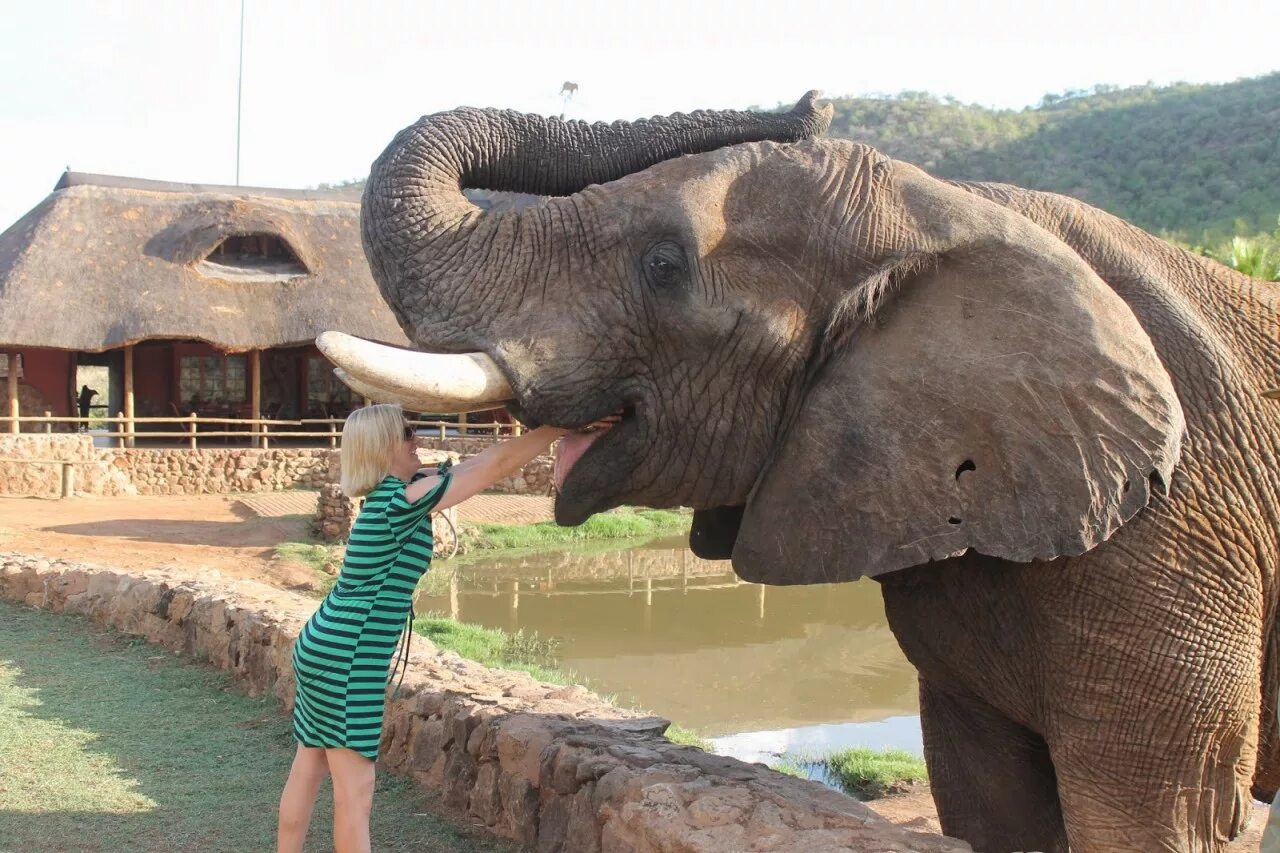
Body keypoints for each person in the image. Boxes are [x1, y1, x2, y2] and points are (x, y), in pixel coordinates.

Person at [276, 402, 617, 853]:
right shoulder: (402, 502)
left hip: (323, 641)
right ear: (383, 447)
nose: (416, 439)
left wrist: (553, 428)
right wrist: (558, 426)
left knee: (310, 763)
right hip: (349, 654)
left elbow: (476, 463)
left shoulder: (391, 494)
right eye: (407, 433)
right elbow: (493, 467)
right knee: (354, 793)